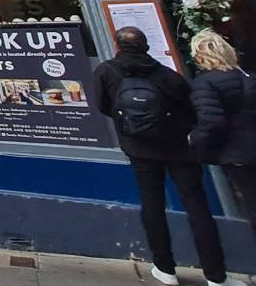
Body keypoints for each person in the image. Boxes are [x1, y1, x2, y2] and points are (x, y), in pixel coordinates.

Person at [95, 26, 228, 286]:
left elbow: (103, 105)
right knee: (197, 206)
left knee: (151, 204)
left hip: (138, 148)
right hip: (178, 148)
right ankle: (215, 275)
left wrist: (130, 126)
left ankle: (164, 269)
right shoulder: (168, 75)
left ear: (117, 45)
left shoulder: (106, 71)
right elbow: (190, 111)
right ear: (146, 45)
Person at [189, 30, 256, 285]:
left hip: (239, 157)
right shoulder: (255, 80)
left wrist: (196, 145)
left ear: (200, 56)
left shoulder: (206, 83)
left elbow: (211, 122)